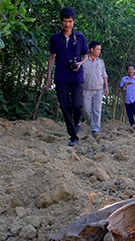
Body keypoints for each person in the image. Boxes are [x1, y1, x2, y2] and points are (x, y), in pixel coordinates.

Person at [45, 8, 88, 147]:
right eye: (65, 21)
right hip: (61, 77)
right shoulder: (55, 38)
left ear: (73, 22)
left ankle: (77, 122)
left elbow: (85, 56)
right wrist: (48, 77)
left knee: (77, 105)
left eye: (70, 21)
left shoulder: (80, 38)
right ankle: (73, 136)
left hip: (76, 77)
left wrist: (80, 64)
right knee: (64, 107)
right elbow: (51, 57)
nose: (67, 24)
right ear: (61, 22)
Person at [82, 41, 109, 135]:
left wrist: (106, 87)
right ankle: (91, 124)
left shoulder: (100, 62)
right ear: (91, 49)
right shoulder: (84, 60)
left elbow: (104, 75)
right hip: (86, 89)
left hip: (98, 89)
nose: (99, 51)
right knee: (86, 110)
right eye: (97, 49)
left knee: (97, 110)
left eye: (100, 49)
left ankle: (95, 129)